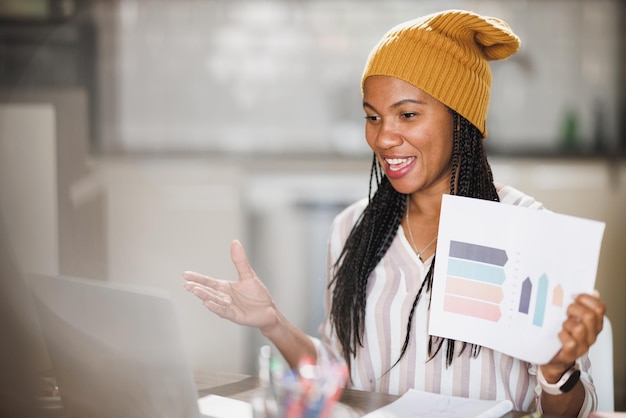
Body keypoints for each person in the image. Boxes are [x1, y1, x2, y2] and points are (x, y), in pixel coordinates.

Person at [182, 9, 606, 417]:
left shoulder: (528, 229)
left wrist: (556, 372)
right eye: (373, 117)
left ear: (461, 119)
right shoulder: (353, 228)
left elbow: (573, 411)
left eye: (407, 114)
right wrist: (273, 322)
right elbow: (336, 374)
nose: (384, 137)